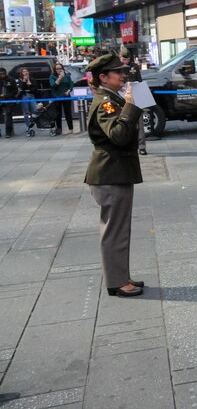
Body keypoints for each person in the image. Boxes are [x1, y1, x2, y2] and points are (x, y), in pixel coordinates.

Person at [84, 52, 144, 297]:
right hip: (111, 173)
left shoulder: (111, 97)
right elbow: (118, 135)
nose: (123, 75)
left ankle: (120, 275)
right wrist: (130, 105)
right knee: (114, 231)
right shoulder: (105, 102)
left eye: (122, 71)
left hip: (116, 172)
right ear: (103, 77)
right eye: (117, 72)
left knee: (119, 229)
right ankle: (117, 282)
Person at [119, 46, 147, 155]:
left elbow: (139, 81)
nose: (125, 61)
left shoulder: (134, 67)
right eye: (123, 59)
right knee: (123, 121)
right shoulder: (117, 67)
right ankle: (125, 145)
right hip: (122, 97)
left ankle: (141, 146)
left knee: (139, 122)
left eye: (127, 59)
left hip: (134, 95)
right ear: (120, 57)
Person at [49, 62, 74, 136]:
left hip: (66, 96)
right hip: (57, 97)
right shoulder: (52, 76)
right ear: (55, 70)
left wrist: (69, 90)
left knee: (68, 113)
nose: (59, 70)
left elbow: (71, 84)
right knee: (58, 114)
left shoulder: (67, 75)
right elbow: (53, 86)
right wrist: (60, 78)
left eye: (60, 68)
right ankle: (59, 129)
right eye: (57, 69)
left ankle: (71, 129)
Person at [16, 67, 36, 135]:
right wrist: (24, 81)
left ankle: (32, 124)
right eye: (24, 71)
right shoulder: (20, 80)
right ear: (21, 73)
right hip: (24, 96)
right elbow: (21, 88)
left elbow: (34, 88)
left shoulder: (32, 79)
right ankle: (29, 127)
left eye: (26, 71)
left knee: (34, 111)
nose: (26, 72)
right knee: (26, 112)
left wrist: (29, 83)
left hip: (31, 96)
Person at [0, 67, 18, 137]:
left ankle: (8, 132)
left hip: (9, 99)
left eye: (3, 74)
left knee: (8, 115)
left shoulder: (11, 79)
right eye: (0, 74)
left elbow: (15, 90)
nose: (2, 75)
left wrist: (7, 95)